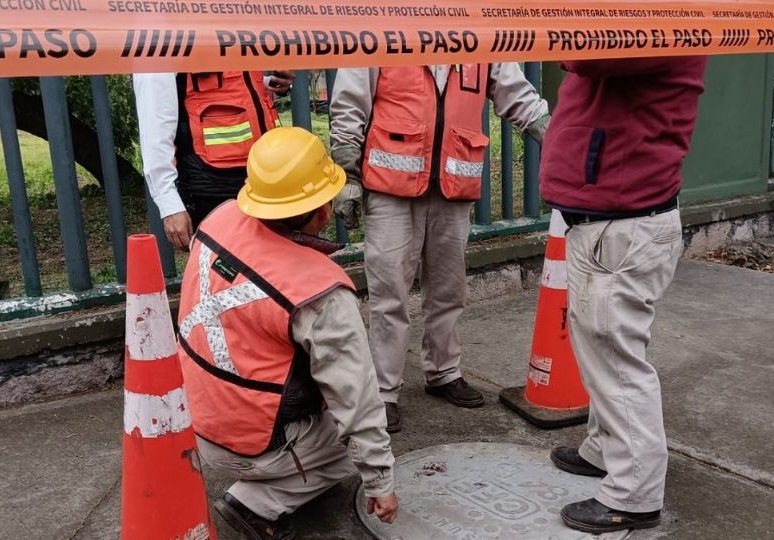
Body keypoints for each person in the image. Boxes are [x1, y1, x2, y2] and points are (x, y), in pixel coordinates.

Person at [176, 127, 398, 539]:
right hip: (249, 445)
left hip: (193, 420)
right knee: (358, 446)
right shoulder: (318, 292)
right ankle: (256, 502)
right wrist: (380, 482)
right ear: (323, 210)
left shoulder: (218, 220)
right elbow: (357, 397)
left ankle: (266, 468)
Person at [330, 64, 550, 433]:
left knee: (449, 289)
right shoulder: (385, 21)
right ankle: (383, 391)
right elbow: (350, 100)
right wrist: (347, 172)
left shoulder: (476, 28)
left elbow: (516, 94)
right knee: (389, 294)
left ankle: (444, 372)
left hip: (453, 182)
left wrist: (555, 137)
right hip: (391, 188)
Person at [540, 57, 708, 533]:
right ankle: (605, 450)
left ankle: (634, 493)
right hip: (614, 220)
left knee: (615, 359)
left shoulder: (665, 17)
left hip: (622, 224)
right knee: (600, 352)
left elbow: (586, 51)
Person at [133, 70, 293, 249]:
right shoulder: (167, 43)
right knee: (227, 272)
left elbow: (228, 85)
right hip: (212, 189)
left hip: (262, 179)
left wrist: (266, 84)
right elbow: (155, 125)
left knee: (271, 265)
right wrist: (170, 205)